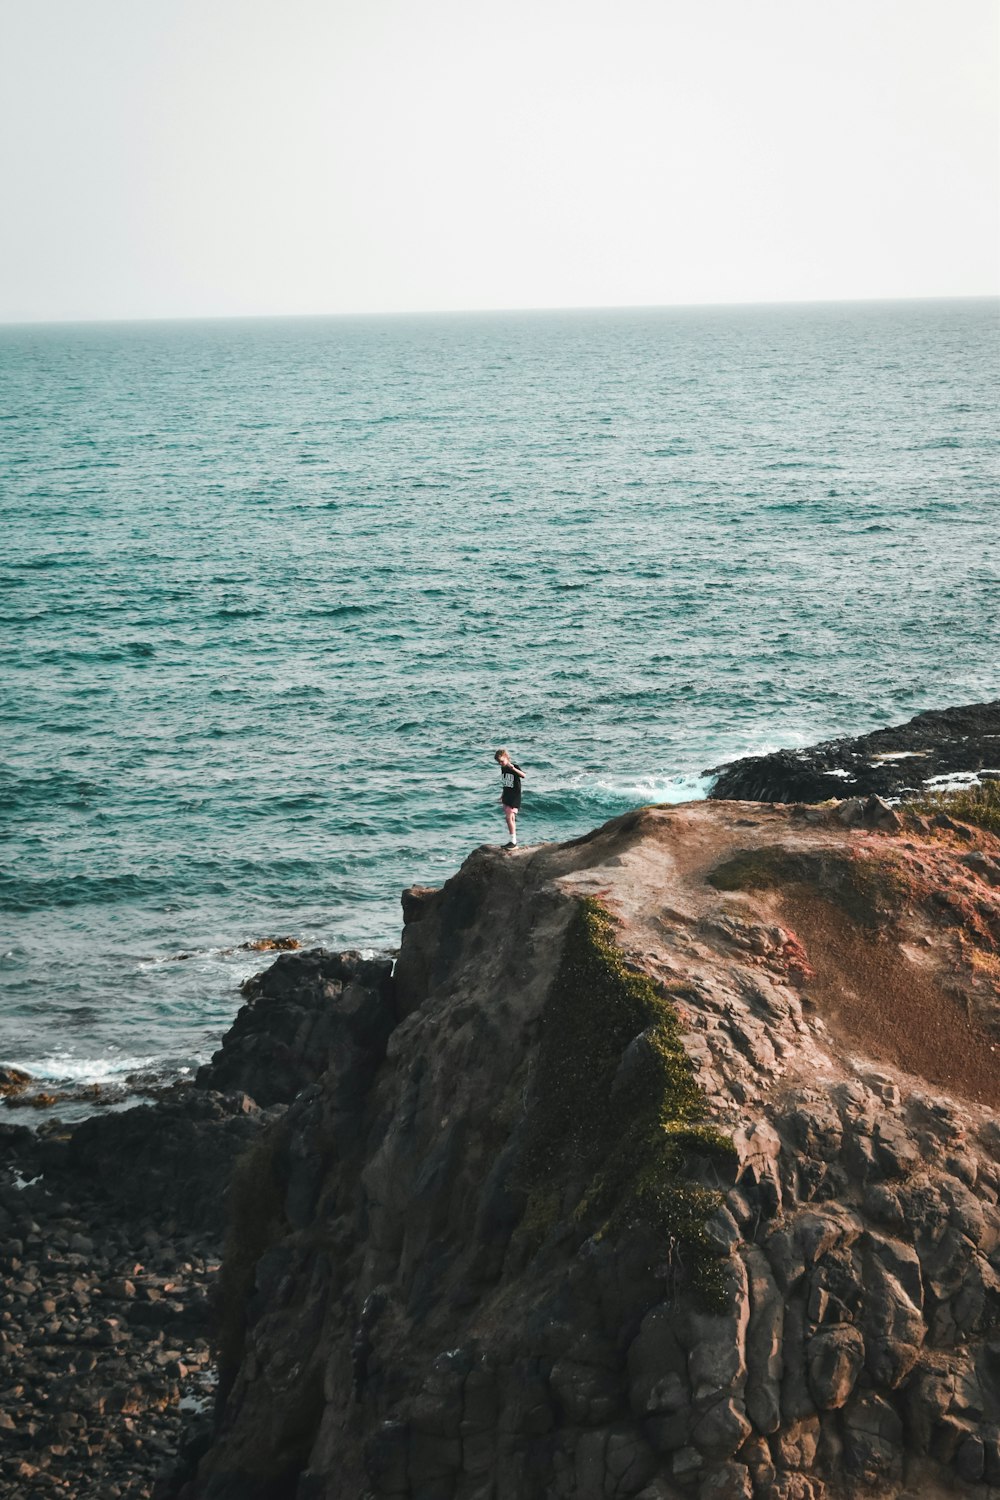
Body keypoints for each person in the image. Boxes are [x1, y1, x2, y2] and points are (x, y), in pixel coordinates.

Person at [494, 748, 525, 848]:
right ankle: (513, 841)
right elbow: (505, 783)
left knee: (509, 818)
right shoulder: (503, 768)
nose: (500, 763)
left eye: (502, 761)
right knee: (510, 818)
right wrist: (502, 795)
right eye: (499, 762)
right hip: (507, 795)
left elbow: (523, 775)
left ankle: (513, 841)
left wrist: (513, 769)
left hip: (514, 796)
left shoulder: (514, 766)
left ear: (507, 757)